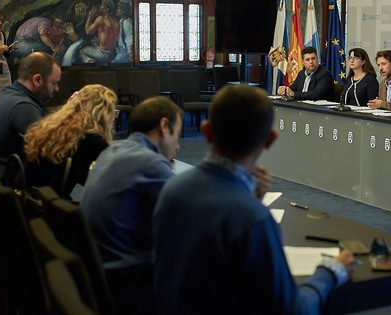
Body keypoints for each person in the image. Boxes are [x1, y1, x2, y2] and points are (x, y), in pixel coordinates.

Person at [153, 85, 355, 314]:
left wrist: (249, 199)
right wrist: (329, 272)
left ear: (206, 131)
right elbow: (292, 310)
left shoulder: (171, 190)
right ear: (270, 139)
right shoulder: (254, 219)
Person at [81, 96, 183, 315]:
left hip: (97, 279)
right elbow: (190, 219)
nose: (178, 144)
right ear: (164, 127)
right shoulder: (150, 163)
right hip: (128, 287)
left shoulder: (111, 152)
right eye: (177, 134)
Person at [23, 84, 117, 198]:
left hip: (29, 199)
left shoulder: (48, 128)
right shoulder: (93, 143)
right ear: (105, 114)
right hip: (55, 206)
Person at [0, 52, 60, 169]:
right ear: (37, 80)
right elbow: (50, 149)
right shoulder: (23, 107)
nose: (57, 89)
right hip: (8, 182)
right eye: (54, 83)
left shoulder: (9, 93)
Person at [0, 7, 15, 95]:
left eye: (1, 20)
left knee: (7, 94)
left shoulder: (2, 34)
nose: (0, 23)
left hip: (4, 70)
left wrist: (9, 50)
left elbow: (4, 55)